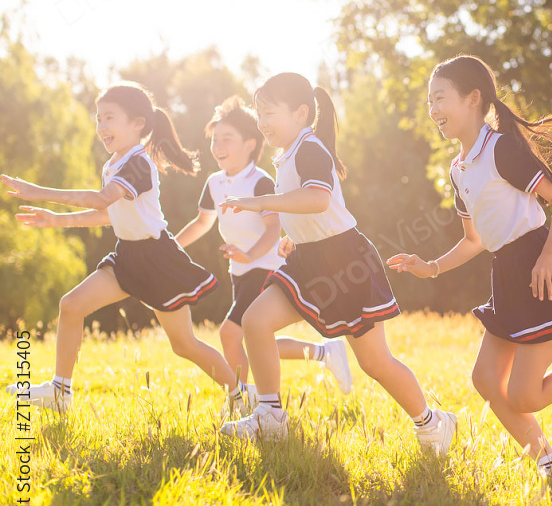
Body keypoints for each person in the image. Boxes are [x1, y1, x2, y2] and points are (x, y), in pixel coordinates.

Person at [388, 55, 552, 479]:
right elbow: (475, 241)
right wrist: (429, 266)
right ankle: (551, 465)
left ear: (473, 99)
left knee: (525, 395)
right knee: (487, 380)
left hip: (540, 267)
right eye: (428, 101)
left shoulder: (501, 149)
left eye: (439, 98)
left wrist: (547, 255)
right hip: (506, 272)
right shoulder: (458, 169)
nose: (432, 110)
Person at [219, 73, 456, 452]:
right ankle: (270, 415)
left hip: (346, 263)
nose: (262, 122)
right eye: (258, 113)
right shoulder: (288, 153)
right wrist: (292, 237)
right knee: (254, 321)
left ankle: (432, 423)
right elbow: (307, 210)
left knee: (375, 363)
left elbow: (317, 199)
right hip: (309, 259)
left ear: (300, 113)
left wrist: (260, 202)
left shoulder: (310, 147)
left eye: (269, 112)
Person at [3, 82, 243, 414]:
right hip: (128, 257)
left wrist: (37, 191)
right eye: (98, 119)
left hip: (157, 261)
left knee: (184, 345)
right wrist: (55, 220)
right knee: (71, 306)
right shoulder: (114, 164)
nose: (101, 127)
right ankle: (60, 392)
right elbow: (108, 213)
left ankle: (240, 395)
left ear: (138, 124)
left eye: (109, 118)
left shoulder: (139, 163)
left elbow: (102, 199)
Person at [174, 96, 352, 414]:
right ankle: (322, 354)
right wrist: (172, 247)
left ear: (250, 144)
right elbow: (202, 222)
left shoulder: (260, 182)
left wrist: (249, 253)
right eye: (215, 139)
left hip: (265, 265)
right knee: (253, 338)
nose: (218, 145)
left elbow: (273, 229)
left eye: (227, 138)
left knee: (231, 333)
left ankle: (246, 399)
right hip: (240, 271)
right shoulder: (214, 183)